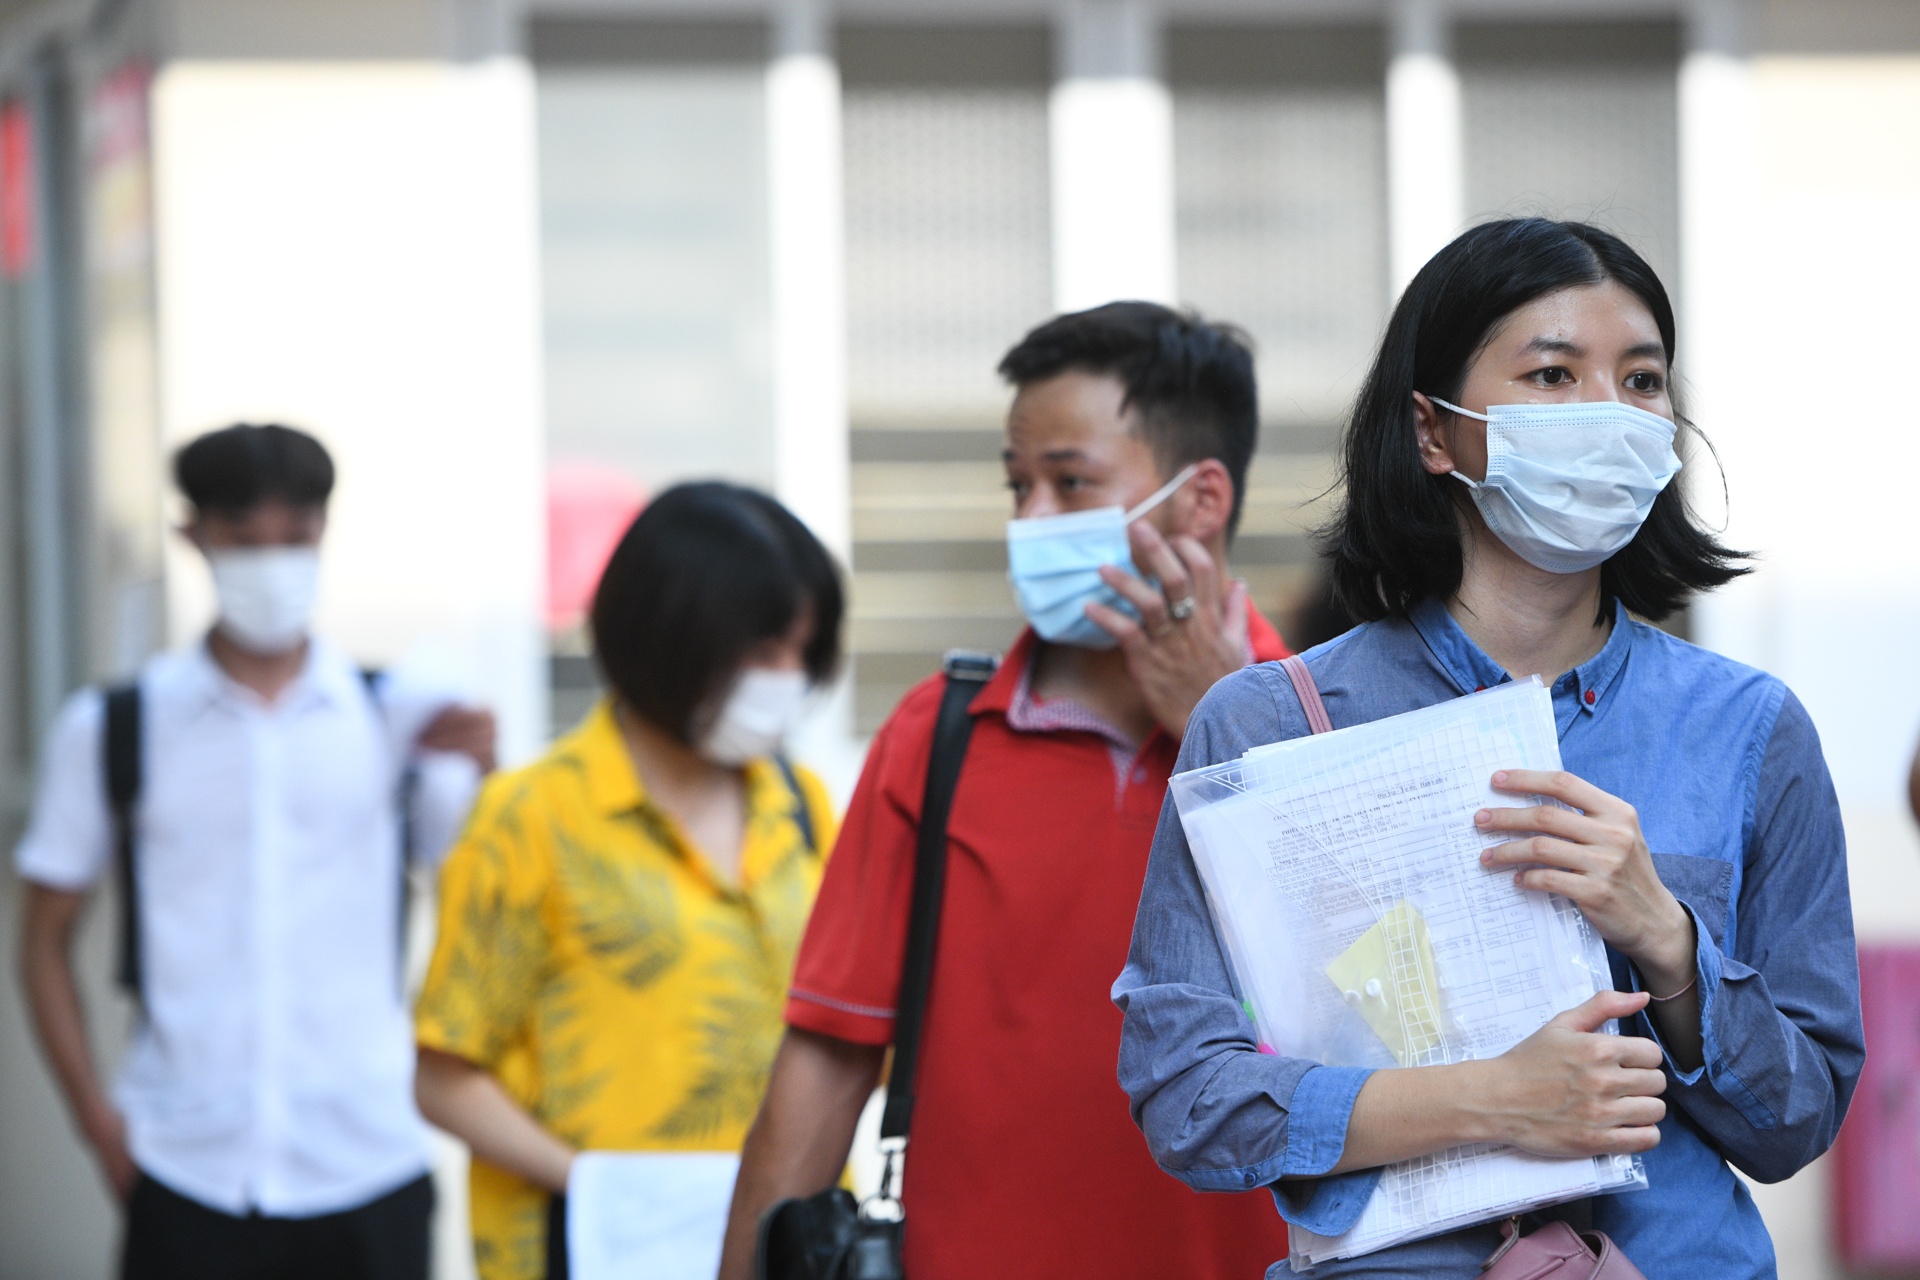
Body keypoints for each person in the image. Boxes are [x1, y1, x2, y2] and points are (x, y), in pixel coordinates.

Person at [1114, 219, 1864, 1278]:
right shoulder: (1273, 718)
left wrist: (1668, 938)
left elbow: (1797, 1119)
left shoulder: (1748, 726)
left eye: (1642, 379)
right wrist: (1495, 1097)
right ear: (1434, 431)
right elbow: (1186, 1094)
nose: (1609, 411)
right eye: (1553, 374)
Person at [717, 302, 1295, 1280]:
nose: (1028, 520)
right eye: (1017, 484)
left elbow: (1391, 1020)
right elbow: (824, 1059)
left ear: (1200, 501)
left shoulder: (1337, 723)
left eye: (1069, 482)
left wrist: (1221, 726)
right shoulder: (934, 736)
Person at [16, 423, 496, 1280]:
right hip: (185, 1165)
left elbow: (464, 875)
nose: (272, 565)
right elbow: (42, 939)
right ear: (192, 534)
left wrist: (477, 775)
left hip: (370, 1159)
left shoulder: (393, 716)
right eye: (244, 541)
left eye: (295, 538)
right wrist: (99, 1121)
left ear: (323, 533)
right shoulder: (115, 729)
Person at [413, 482, 844, 1280]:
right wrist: (608, 1193)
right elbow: (443, 1075)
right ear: (665, 640)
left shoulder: (804, 806)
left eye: (799, 651)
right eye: (759, 652)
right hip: (589, 1251)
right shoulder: (532, 817)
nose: (783, 677)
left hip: (785, 1253)